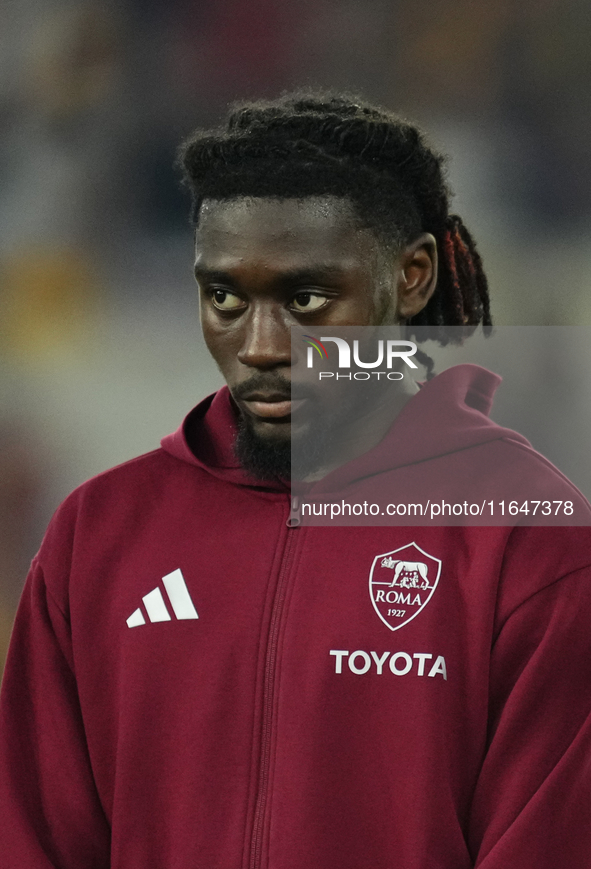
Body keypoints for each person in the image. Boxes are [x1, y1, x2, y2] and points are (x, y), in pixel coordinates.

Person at [1, 91, 590, 869]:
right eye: (225, 298)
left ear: (411, 278)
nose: (262, 345)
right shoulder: (99, 532)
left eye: (307, 298)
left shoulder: (529, 543)